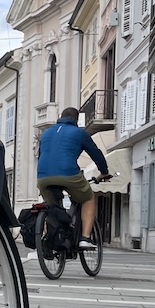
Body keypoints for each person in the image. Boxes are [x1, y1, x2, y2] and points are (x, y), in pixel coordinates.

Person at [36, 107, 109, 250]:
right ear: (76, 120)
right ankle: (85, 239)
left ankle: (50, 240)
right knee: (88, 197)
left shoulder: (46, 133)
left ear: (60, 116)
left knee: (51, 207)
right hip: (68, 174)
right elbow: (96, 154)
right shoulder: (79, 133)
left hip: (43, 176)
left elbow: (42, 155)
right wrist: (104, 172)